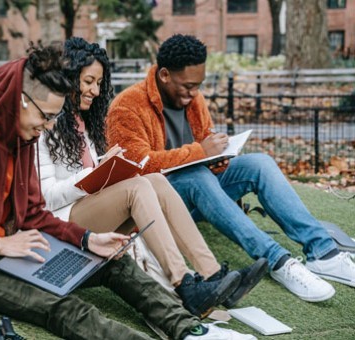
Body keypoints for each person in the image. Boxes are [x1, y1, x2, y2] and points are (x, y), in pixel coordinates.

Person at [0, 42, 255, 340]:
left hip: (19, 245)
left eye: (52, 120)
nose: (46, 128)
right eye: (44, 117)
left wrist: (88, 239)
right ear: (22, 100)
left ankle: (191, 330)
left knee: (113, 262)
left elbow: (33, 215)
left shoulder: (22, 135)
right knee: (62, 307)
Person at [106, 34, 355, 302]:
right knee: (195, 175)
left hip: (201, 187)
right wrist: (200, 153)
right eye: (187, 86)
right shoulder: (127, 106)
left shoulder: (194, 98)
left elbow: (205, 142)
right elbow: (135, 168)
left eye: (198, 86)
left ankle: (323, 253)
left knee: (259, 163)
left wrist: (217, 158)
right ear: (165, 75)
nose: (193, 94)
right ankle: (279, 261)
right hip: (159, 203)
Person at [37, 37, 267, 318]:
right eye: (88, 82)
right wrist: (96, 173)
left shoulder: (85, 122)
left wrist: (105, 167)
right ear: (68, 77)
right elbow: (46, 197)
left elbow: (86, 173)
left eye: (98, 83)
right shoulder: (43, 123)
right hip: (63, 222)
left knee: (155, 180)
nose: (95, 91)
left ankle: (211, 274)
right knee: (137, 187)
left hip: (89, 207)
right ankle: (183, 283)